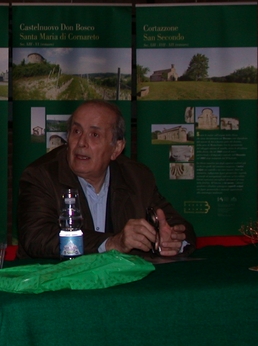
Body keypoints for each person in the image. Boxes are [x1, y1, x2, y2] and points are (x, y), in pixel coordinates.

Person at [17, 100, 195, 258]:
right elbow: (37, 236)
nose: (81, 143)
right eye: (76, 131)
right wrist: (111, 243)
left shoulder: (137, 177)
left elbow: (178, 226)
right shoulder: (41, 175)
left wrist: (172, 240)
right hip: (53, 285)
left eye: (94, 135)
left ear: (117, 148)